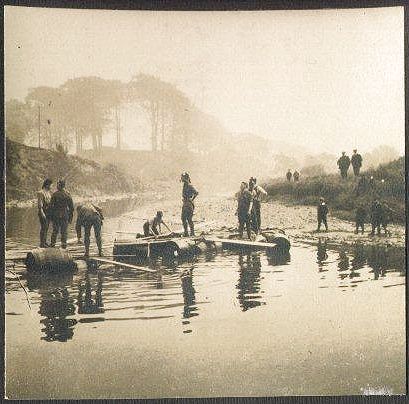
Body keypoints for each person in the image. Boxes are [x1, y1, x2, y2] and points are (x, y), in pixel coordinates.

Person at [49, 179, 74, 249]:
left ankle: (52, 245)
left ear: (59, 185)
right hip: (65, 214)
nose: (57, 186)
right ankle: (64, 246)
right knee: (64, 231)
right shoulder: (68, 194)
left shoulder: (55, 194)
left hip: (56, 215)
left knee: (55, 231)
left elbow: (51, 207)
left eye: (57, 184)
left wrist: (50, 217)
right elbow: (71, 207)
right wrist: (70, 217)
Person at [181, 172, 198, 237]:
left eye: (183, 178)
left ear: (186, 178)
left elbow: (196, 193)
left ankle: (192, 233)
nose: (182, 179)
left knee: (188, 218)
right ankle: (187, 233)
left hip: (188, 204)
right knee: (183, 218)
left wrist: (191, 199)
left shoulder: (189, 186)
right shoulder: (185, 185)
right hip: (185, 203)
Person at [38, 178, 53, 247]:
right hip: (43, 212)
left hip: (49, 212)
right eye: (51, 185)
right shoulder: (41, 192)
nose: (51, 187)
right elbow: (40, 205)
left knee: (46, 227)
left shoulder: (49, 192)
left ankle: (44, 242)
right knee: (43, 227)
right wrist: (42, 213)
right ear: (47, 185)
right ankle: (42, 243)